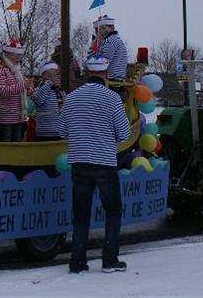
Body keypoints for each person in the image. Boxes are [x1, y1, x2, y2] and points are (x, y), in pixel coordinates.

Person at [59, 55, 130, 274]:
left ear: (87, 73)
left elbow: (62, 131)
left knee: (81, 213)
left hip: (79, 161)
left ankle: (77, 262)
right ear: (106, 74)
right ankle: (109, 260)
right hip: (104, 162)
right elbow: (124, 133)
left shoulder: (71, 98)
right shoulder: (112, 98)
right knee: (113, 210)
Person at [0, 40, 32, 142]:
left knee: (17, 142)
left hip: (18, 116)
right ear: (8, 55)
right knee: (7, 143)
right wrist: (23, 86)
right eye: (17, 55)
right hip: (6, 118)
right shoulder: (0, 70)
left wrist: (28, 89)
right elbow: (2, 91)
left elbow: (21, 88)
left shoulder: (17, 71)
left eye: (20, 55)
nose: (19, 57)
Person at [29, 61, 65, 141]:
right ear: (45, 76)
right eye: (53, 75)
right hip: (45, 132)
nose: (57, 77)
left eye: (57, 75)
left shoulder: (60, 91)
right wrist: (48, 84)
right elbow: (38, 101)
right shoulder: (39, 89)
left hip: (59, 131)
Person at [96, 15, 128, 97]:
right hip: (114, 81)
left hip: (112, 82)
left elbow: (102, 62)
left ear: (112, 28)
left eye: (103, 28)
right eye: (100, 28)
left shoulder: (111, 41)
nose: (101, 31)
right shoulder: (113, 39)